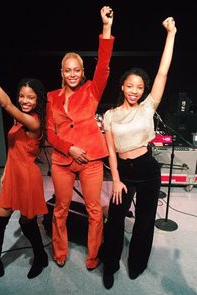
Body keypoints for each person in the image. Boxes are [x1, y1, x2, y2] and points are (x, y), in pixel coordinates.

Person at [99, 17, 177, 289]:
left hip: (147, 169)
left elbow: (162, 73)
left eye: (139, 87)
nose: (134, 91)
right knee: (115, 221)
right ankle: (109, 265)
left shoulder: (147, 108)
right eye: (130, 86)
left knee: (144, 222)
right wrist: (117, 179)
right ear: (122, 86)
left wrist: (171, 34)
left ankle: (136, 263)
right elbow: (110, 151)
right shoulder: (110, 115)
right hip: (124, 172)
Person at [46, 6, 115, 270]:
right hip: (63, 160)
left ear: (82, 71)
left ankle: (93, 254)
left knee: (94, 210)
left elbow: (105, 62)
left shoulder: (92, 90)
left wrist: (106, 27)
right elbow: (50, 134)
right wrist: (69, 148)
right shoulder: (52, 97)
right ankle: (60, 250)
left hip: (91, 160)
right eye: (67, 70)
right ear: (61, 72)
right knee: (60, 209)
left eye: (76, 70)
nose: (72, 74)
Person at [0, 53, 49, 287]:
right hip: (13, 175)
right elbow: (13, 149)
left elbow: (5, 103)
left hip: (28, 177)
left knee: (27, 223)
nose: (24, 100)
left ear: (38, 100)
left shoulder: (34, 121)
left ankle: (40, 256)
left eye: (30, 97)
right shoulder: (19, 120)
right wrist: (6, 172)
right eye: (21, 96)